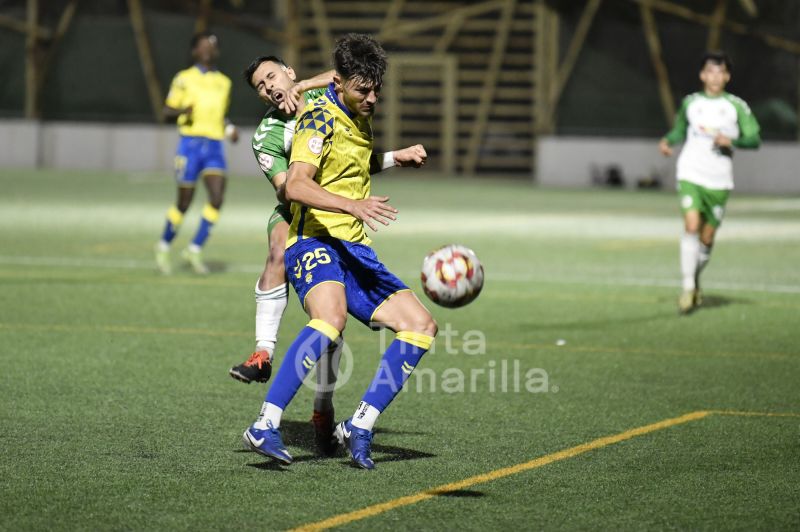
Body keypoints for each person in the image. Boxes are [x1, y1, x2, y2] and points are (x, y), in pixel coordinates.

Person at [241, 33, 436, 470]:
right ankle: (264, 423)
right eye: (363, 90)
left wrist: (396, 158)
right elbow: (295, 184)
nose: (372, 98)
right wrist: (353, 204)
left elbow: (348, 163)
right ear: (341, 83)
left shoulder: (355, 111)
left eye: (376, 90)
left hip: (354, 248)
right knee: (330, 319)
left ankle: (360, 425)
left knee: (421, 326)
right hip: (314, 240)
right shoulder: (317, 118)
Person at [230, 55, 340, 454]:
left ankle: (323, 409)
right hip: (297, 212)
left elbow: (348, 76)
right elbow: (285, 189)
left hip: (338, 217)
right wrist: (300, 161)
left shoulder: (327, 96)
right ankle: (263, 353)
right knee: (277, 245)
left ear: (290, 72)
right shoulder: (267, 134)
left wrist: (306, 86)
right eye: (260, 86)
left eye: (273, 76)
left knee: (330, 326)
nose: (269, 87)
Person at [659, 51, 760, 314]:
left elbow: (754, 138)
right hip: (690, 172)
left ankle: (694, 278)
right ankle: (688, 288)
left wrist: (733, 141)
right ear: (702, 75)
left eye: (720, 72)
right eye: (710, 71)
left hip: (719, 180)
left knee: (707, 237)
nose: (714, 76)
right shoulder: (691, 103)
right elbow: (681, 129)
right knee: (691, 225)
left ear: (727, 76)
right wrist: (669, 140)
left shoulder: (736, 106)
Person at [154, 31, 239, 275]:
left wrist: (229, 128)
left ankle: (194, 248)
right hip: (189, 144)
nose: (208, 49)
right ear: (194, 51)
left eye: (212, 45)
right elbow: (167, 111)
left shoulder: (224, 82)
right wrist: (184, 109)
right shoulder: (184, 78)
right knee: (184, 202)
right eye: (203, 45)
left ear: (217, 51)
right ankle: (163, 244)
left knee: (217, 197)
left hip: (214, 145)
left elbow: (220, 115)